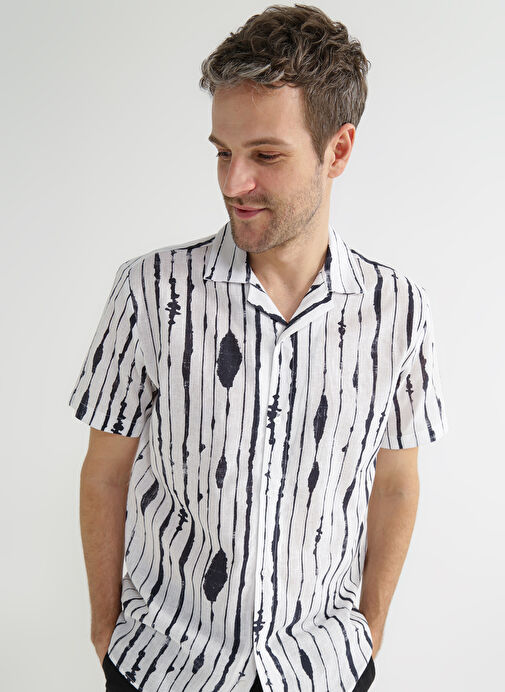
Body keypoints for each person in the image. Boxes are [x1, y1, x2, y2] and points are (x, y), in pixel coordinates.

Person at [68, 4, 449, 691]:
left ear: (338, 150)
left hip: (321, 669)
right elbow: (105, 473)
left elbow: (395, 482)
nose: (232, 182)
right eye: (223, 151)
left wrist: (368, 633)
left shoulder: (397, 309)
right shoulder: (149, 291)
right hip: (164, 666)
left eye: (265, 156)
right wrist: (107, 633)